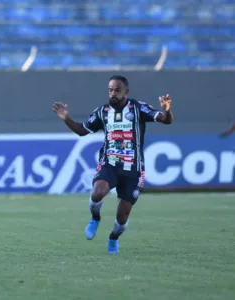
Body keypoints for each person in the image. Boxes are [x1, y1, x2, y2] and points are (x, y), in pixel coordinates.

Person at [52, 75, 173, 254]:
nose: (113, 93)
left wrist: (167, 111)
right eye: (110, 90)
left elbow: (166, 120)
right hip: (110, 163)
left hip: (133, 168)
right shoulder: (102, 112)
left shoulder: (138, 108)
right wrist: (67, 119)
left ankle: (113, 238)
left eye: (117, 90)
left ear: (126, 92)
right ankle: (95, 217)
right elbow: (82, 130)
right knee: (98, 192)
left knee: (122, 216)